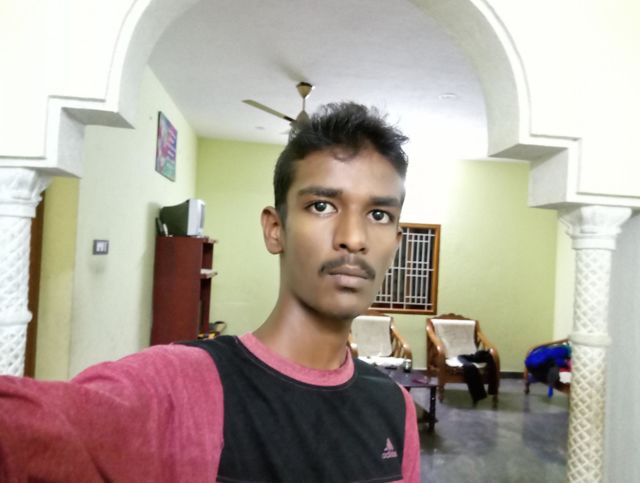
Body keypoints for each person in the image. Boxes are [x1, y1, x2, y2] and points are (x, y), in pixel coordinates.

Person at [0, 102, 420, 482]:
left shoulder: (394, 407)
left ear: (396, 242)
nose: (353, 238)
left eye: (379, 214)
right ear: (275, 229)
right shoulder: (179, 385)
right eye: (322, 206)